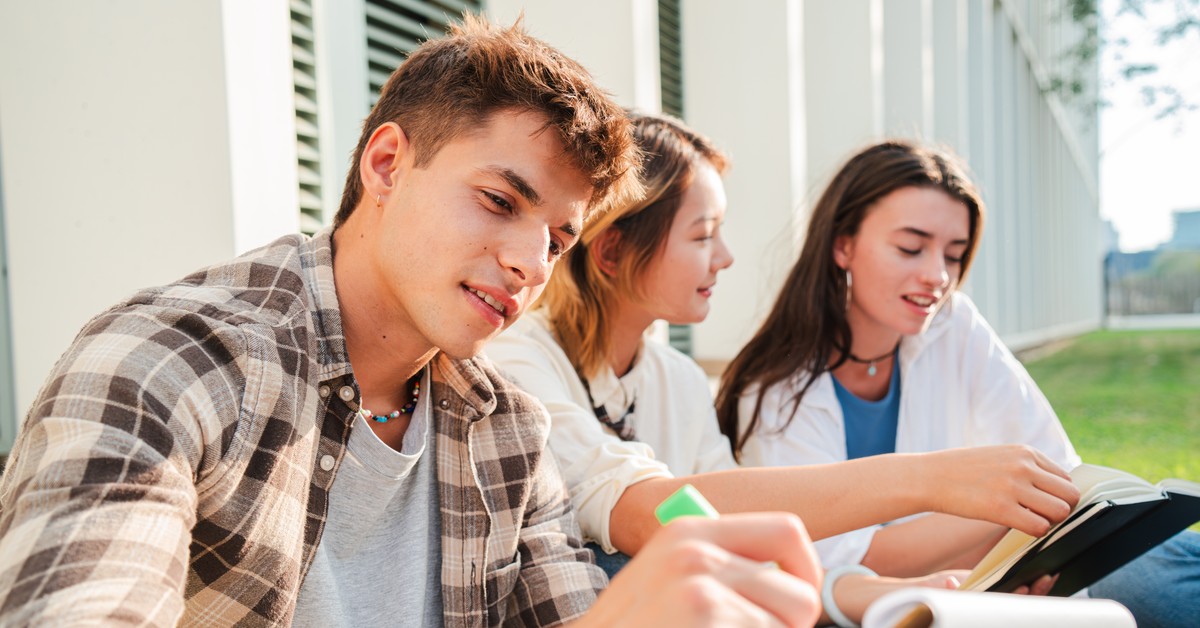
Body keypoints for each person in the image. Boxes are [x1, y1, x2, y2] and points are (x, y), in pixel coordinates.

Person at [0, 17, 824, 627]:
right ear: (387, 163)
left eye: (556, 239)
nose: (529, 263)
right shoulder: (172, 363)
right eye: (499, 202)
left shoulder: (506, 432)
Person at [486, 114, 1075, 624]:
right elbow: (648, 512)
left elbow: (745, 546)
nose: (726, 257)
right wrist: (931, 481)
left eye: (953, 254)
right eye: (704, 235)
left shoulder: (679, 381)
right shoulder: (518, 360)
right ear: (612, 251)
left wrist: (886, 597)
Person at [715, 139, 1200, 627]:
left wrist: (1003, 503)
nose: (937, 276)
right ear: (843, 245)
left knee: (1177, 557)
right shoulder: (776, 391)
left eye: (954, 254)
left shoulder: (952, 325)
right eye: (910, 248)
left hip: (1016, 574)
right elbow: (836, 564)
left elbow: (1054, 468)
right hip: (917, 604)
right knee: (1159, 586)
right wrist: (992, 504)